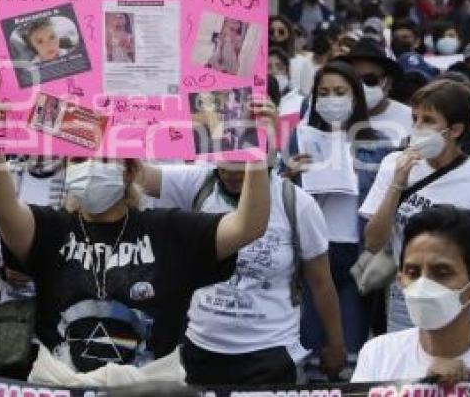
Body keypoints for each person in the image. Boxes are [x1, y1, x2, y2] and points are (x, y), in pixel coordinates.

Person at [0, 80, 271, 385]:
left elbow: (248, 224)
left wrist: (255, 150)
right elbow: (3, 205)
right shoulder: (50, 229)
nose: (90, 166)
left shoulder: (170, 231)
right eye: (79, 160)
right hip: (61, 384)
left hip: (149, 389)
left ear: (129, 171)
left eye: (104, 159)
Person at [137, 147, 347, 385]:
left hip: (270, 356)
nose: (230, 173)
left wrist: (336, 344)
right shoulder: (200, 184)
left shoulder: (298, 204)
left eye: (242, 166)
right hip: (201, 353)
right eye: (224, 165)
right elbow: (135, 175)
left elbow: (321, 283)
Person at [360, 79, 470, 331]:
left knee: (463, 369)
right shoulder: (393, 164)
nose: (417, 128)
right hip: (409, 295)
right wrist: (397, 184)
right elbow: (373, 242)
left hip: (466, 299)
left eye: (428, 120)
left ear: (455, 130)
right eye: (415, 118)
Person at [282, 61, 392, 374]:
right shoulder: (299, 139)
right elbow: (277, 195)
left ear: (355, 97)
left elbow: (389, 199)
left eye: (340, 92)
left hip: (360, 256)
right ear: (314, 99)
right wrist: (289, 175)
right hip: (313, 252)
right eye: (324, 92)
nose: (332, 99)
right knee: (312, 347)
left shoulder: (379, 143)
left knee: (351, 350)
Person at [352, 207, 470, 395]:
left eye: (442, 273)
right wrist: (423, 387)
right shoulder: (378, 355)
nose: (423, 285)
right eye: (413, 273)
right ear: (400, 279)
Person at [338, 38, 411, 148]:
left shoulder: (410, 119)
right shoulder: (333, 116)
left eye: (370, 79)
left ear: (388, 82)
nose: (360, 86)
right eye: (353, 78)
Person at [269, 15, 314, 96]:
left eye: (281, 31)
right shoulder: (260, 62)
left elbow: (306, 94)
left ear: (289, 34)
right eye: (271, 32)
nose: (276, 35)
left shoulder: (303, 62)